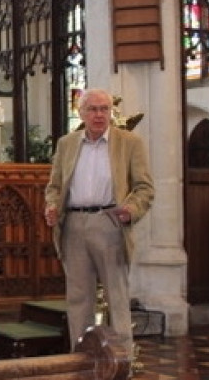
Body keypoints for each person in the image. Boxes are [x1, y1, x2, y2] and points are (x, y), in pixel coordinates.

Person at [44, 88, 154, 358]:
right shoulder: (67, 143)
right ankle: (81, 361)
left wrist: (130, 210)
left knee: (117, 298)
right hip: (73, 224)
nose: (99, 115)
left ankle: (122, 362)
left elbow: (145, 188)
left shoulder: (129, 142)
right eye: (92, 109)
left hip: (110, 223)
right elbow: (54, 186)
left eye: (104, 109)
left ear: (110, 112)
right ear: (80, 113)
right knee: (79, 299)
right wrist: (52, 205)